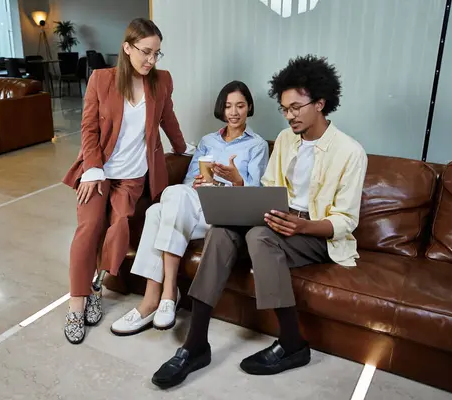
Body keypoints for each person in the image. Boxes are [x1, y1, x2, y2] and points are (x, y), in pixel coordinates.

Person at [151, 54, 368, 389]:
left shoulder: (350, 152)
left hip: (316, 233)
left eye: (296, 107)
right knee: (222, 231)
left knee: (259, 238)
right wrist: (239, 186)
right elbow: (267, 190)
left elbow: (345, 221)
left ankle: (293, 343)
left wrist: (302, 226)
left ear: (321, 103)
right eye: (284, 108)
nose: (289, 115)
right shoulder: (284, 140)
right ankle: (195, 345)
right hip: (274, 218)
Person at [61, 18, 187, 345]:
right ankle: (76, 304)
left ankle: (96, 284)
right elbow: (88, 129)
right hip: (99, 173)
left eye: (158, 54)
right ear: (127, 47)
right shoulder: (102, 80)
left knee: (119, 227)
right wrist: (92, 168)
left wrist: (185, 149)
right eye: (146, 52)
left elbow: (167, 118)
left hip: (133, 177)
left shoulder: (161, 82)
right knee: (88, 228)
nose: (152, 60)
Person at [110, 81, 269, 336]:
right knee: (160, 207)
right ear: (222, 109)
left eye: (240, 105)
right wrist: (199, 182)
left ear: (249, 107)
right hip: (195, 204)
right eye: (228, 106)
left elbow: (255, 193)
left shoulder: (258, 146)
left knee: (162, 207)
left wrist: (236, 180)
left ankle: (165, 294)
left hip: (225, 212)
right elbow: (188, 182)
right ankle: (155, 299)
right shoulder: (207, 141)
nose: (234, 112)